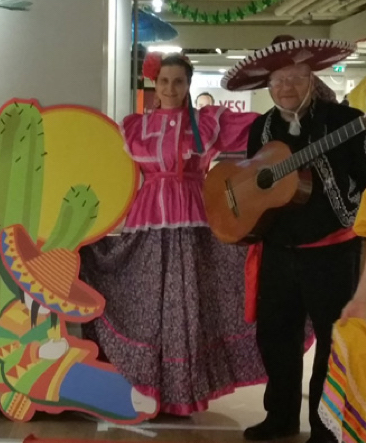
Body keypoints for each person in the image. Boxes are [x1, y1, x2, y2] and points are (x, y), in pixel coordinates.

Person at [79, 52, 265, 416]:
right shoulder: (133, 126)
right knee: (148, 302)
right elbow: (108, 168)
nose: (170, 88)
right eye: (164, 81)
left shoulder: (207, 122)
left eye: (178, 81)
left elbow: (258, 125)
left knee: (191, 305)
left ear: (188, 85)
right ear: (154, 83)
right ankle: (148, 389)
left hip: (196, 219)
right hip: (147, 218)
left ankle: (182, 392)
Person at [219, 35, 366, 443]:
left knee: (329, 338)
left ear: (311, 79)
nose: (287, 87)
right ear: (269, 85)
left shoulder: (345, 122)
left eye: (296, 78)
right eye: (279, 80)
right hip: (278, 251)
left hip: (332, 250)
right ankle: (280, 416)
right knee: (275, 335)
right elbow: (250, 180)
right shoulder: (261, 126)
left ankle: (324, 423)